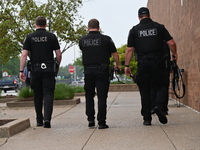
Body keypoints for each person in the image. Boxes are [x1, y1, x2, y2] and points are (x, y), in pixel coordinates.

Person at [124, 7, 177, 125]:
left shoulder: (134, 30)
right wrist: (174, 54)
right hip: (158, 62)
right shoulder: (159, 27)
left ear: (139, 17)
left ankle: (147, 118)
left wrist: (126, 65)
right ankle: (159, 107)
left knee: (144, 90)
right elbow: (171, 43)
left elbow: (129, 50)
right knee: (162, 85)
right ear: (149, 15)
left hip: (143, 63)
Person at [19, 16, 62, 128]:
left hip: (35, 69)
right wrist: (57, 65)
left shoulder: (29, 37)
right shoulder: (51, 37)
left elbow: (24, 54)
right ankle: (47, 119)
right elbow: (58, 54)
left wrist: (21, 70)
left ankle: (39, 119)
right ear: (46, 25)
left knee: (37, 94)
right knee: (48, 93)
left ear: (35, 24)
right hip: (48, 69)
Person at [79, 19, 120, 129]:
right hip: (102, 71)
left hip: (88, 71)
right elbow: (115, 54)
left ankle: (90, 119)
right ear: (99, 27)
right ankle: (101, 122)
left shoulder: (82, 40)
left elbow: (83, 49)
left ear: (88, 27)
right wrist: (118, 65)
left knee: (89, 95)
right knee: (102, 97)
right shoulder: (106, 39)